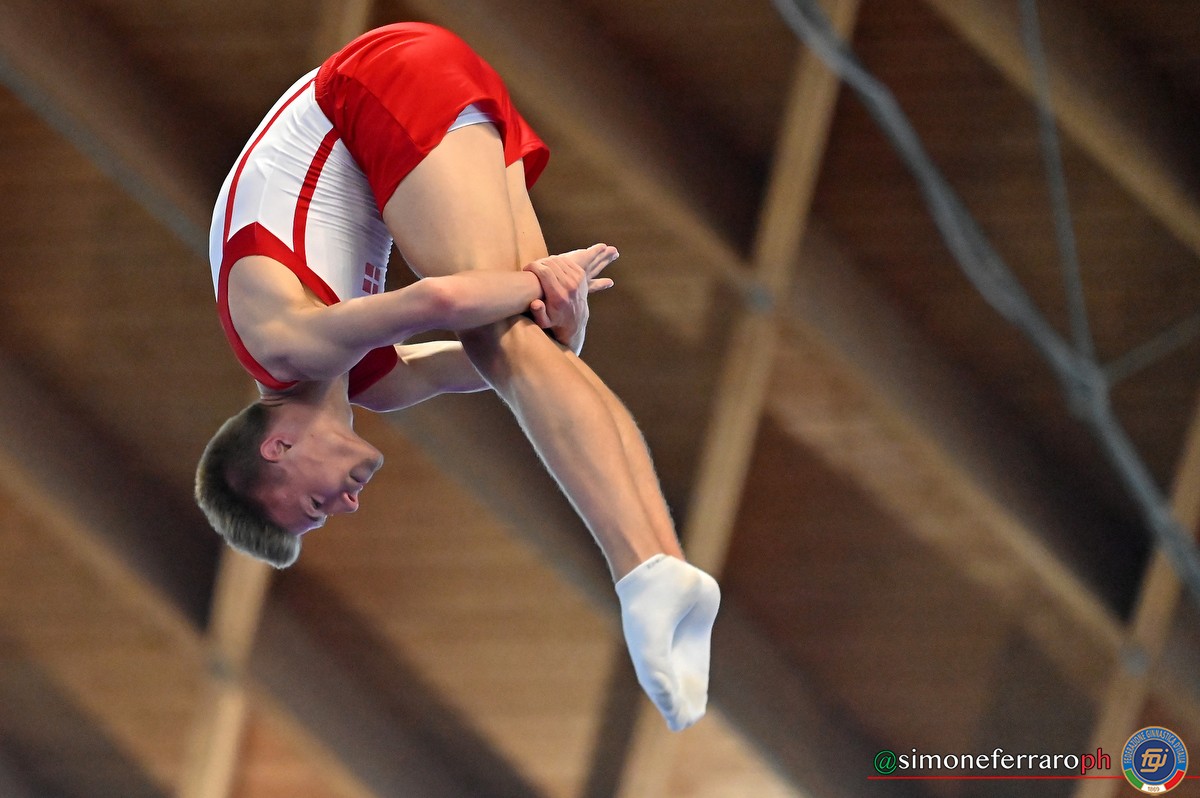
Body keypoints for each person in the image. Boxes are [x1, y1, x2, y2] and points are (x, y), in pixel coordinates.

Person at [195, 21, 719, 732]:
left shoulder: (282, 347)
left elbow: (441, 302)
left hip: (374, 84)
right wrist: (560, 316)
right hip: (422, 99)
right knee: (520, 346)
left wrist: (540, 285)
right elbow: (541, 354)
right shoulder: (372, 380)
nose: (345, 505)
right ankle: (664, 560)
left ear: (277, 447)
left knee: (499, 332)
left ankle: (640, 574)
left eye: (315, 505)